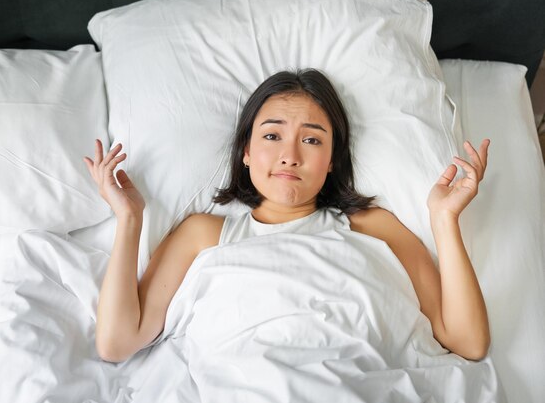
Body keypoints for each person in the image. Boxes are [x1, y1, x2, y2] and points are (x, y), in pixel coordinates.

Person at [83, 68, 491, 364]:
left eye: (312, 139)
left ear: (332, 160)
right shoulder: (202, 233)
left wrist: (444, 220)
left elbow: (467, 341)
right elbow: (117, 343)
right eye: (272, 135)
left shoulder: (374, 226)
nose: (290, 155)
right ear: (246, 151)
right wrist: (130, 219)